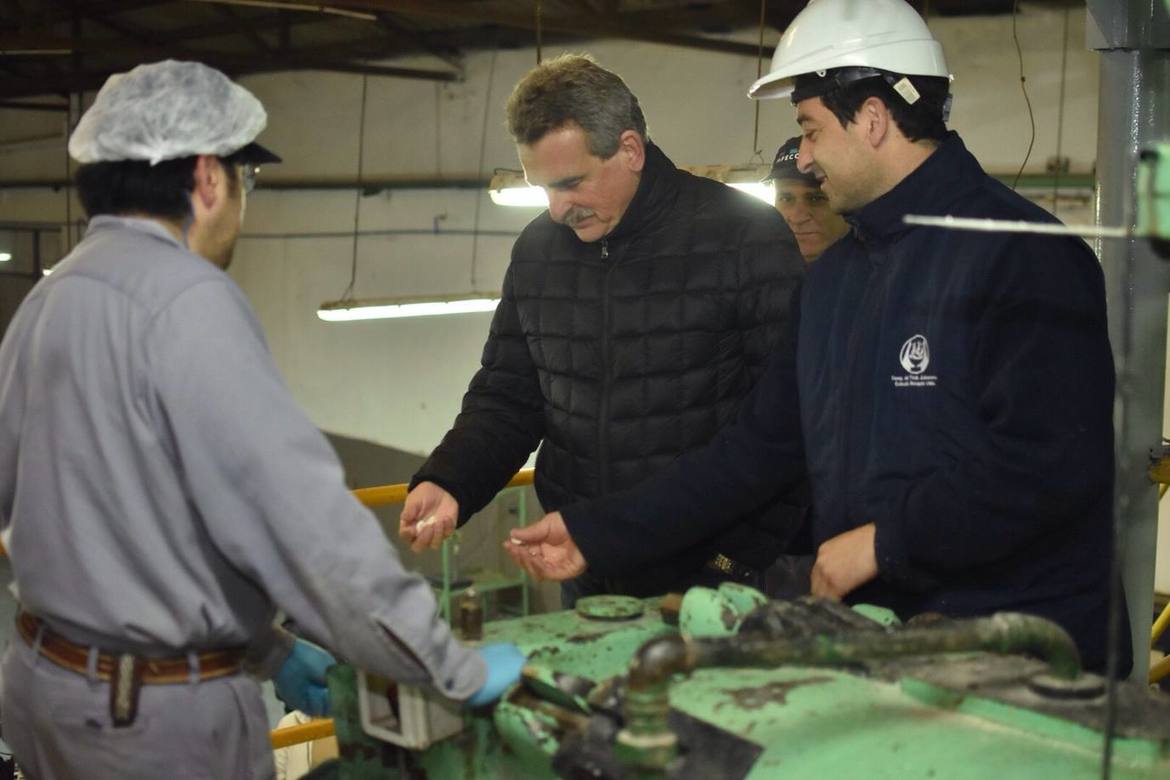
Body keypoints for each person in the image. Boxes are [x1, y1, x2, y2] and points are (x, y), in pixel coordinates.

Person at [504, 0, 1129, 675]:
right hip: (891, 647)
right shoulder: (836, 281)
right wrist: (597, 531)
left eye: (809, 129)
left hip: (1029, 658)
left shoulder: (1022, 257)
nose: (803, 156)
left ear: (873, 118)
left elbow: (1051, 465)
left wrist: (885, 544)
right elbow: (754, 452)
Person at [0, 60, 523, 780]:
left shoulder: (51, 296)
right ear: (210, 178)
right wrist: (444, 664)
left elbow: (121, 514)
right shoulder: (188, 301)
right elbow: (308, 530)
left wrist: (266, 647)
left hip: (43, 690)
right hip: (149, 727)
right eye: (247, 183)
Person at [399, 54, 807, 604]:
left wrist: (733, 562)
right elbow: (509, 398)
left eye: (570, 182)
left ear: (630, 150)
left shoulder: (746, 238)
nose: (557, 207)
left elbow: (783, 429)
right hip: (587, 565)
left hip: (716, 576)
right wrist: (450, 481)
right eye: (542, 187)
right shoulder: (539, 252)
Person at [768, 135, 849, 261]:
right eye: (785, 199)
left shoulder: (881, 272)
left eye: (816, 199)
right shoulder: (753, 267)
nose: (797, 218)